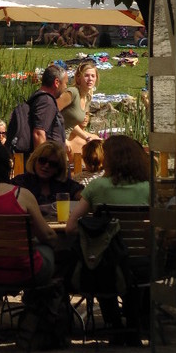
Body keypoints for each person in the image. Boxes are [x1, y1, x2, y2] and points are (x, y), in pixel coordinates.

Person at [65, 135, 150, 340]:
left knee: (99, 258)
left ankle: (113, 323)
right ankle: (134, 323)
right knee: (129, 269)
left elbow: (70, 227)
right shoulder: (149, 188)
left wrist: (95, 234)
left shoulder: (97, 187)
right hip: (143, 262)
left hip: (106, 263)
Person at [0, 141, 57, 285]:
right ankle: (46, 303)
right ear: (4, 165)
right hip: (23, 273)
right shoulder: (21, 195)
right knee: (48, 250)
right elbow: (48, 235)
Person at [14, 141, 83, 206]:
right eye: (42, 160)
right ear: (34, 160)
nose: (46, 166)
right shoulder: (21, 182)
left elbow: (84, 196)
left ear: (58, 168)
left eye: (53, 164)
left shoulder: (65, 184)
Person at [57, 60, 101, 158]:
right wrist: (62, 139)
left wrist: (87, 138)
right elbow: (50, 114)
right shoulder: (72, 93)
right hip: (55, 139)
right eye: (86, 75)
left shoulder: (87, 97)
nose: (90, 79)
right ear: (78, 78)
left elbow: (71, 123)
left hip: (64, 142)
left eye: (93, 76)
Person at [30, 64, 68, 151]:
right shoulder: (46, 101)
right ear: (57, 82)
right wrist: (42, 161)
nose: (66, 87)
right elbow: (39, 133)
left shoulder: (39, 97)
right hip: (48, 161)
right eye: (65, 83)